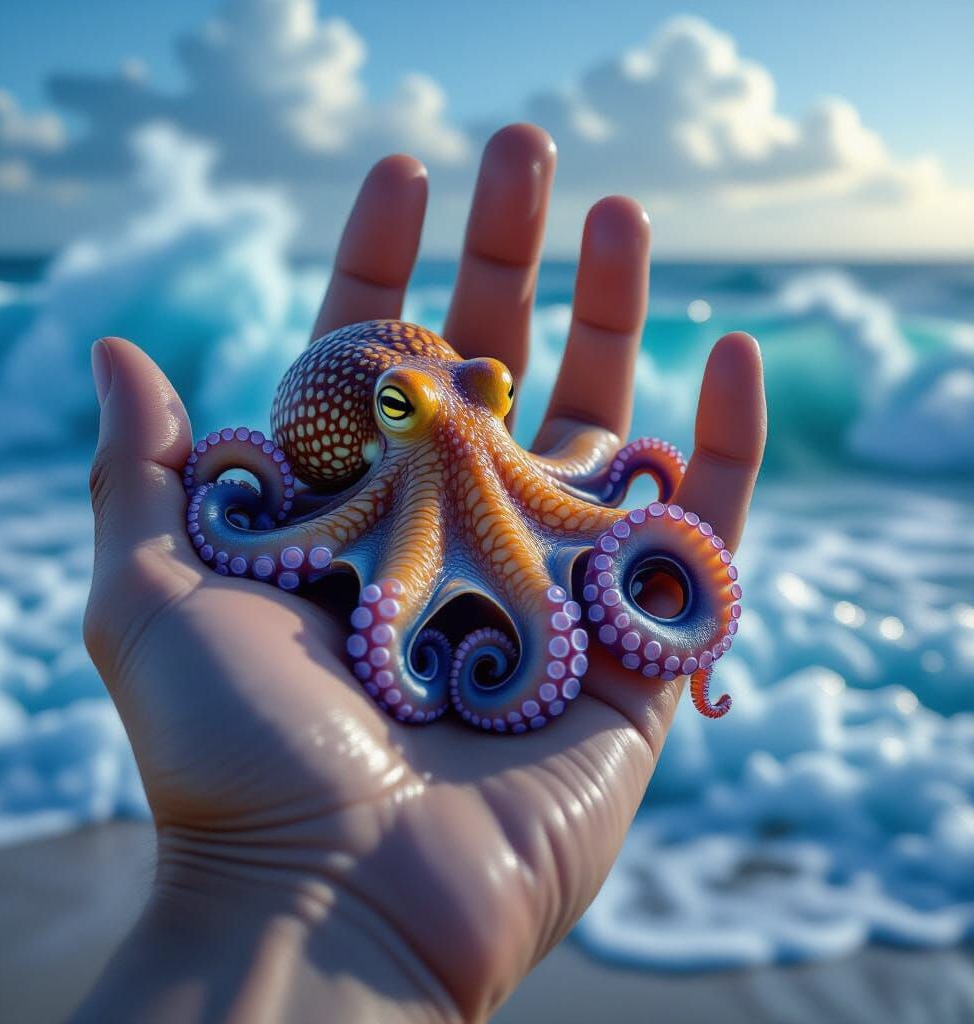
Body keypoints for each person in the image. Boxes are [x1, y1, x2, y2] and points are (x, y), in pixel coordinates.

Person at [76, 123, 766, 1022]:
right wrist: (294, 878)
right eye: (407, 409)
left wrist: (260, 891)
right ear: (376, 422)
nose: (476, 439)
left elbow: (462, 415)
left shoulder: (467, 398)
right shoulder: (340, 447)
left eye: (493, 399)